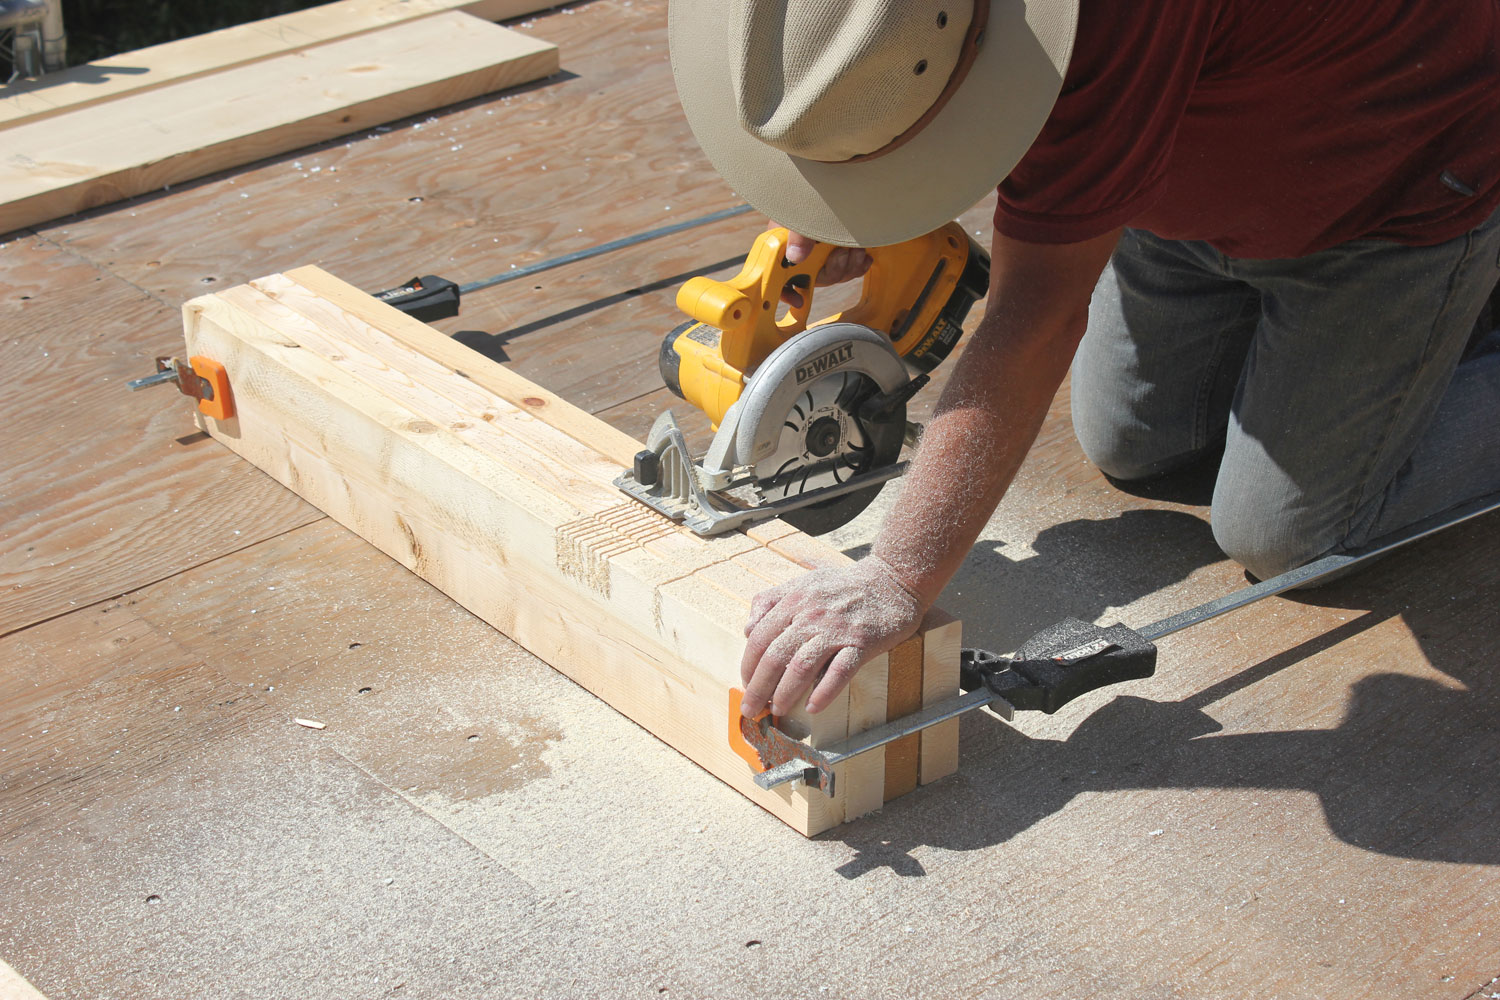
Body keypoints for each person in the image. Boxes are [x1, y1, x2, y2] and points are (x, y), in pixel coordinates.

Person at [666, 0, 1500, 720]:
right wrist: (850, 181)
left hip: (1393, 192)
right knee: (1139, 447)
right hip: (1184, 183)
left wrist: (896, 575)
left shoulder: (1107, 25)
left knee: (1290, 541)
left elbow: (1038, 313)